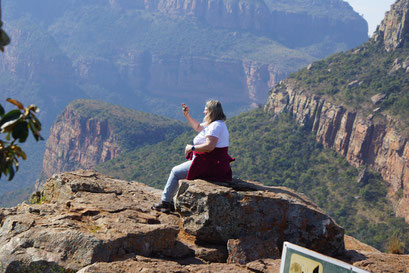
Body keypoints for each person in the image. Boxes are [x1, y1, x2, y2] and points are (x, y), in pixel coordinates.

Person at [152, 100, 234, 213]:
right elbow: (198, 127)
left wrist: (192, 148)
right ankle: (170, 200)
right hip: (210, 162)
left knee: (175, 172)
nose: (204, 111)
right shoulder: (215, 123)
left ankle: (165, 203)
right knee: (179, 172)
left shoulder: (215, 126)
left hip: (210, 164)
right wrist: (187, 115)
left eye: (206, 109)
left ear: (211, 111)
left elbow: (210, 146)